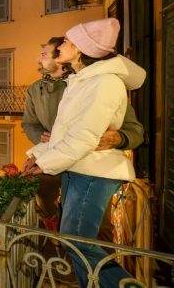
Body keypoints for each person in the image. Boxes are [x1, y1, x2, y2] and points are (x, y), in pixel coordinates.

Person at [22, 18, 145, 288]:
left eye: (66, 41)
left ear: (80, 48)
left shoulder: (102, 83)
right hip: (75, 168)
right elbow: (63, 132)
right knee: (75, 243)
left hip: (92, 170)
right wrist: (37, 155)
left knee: (80, 242)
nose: (58, 47)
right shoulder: (79, 81)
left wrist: (44, 162)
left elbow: (83, 136)